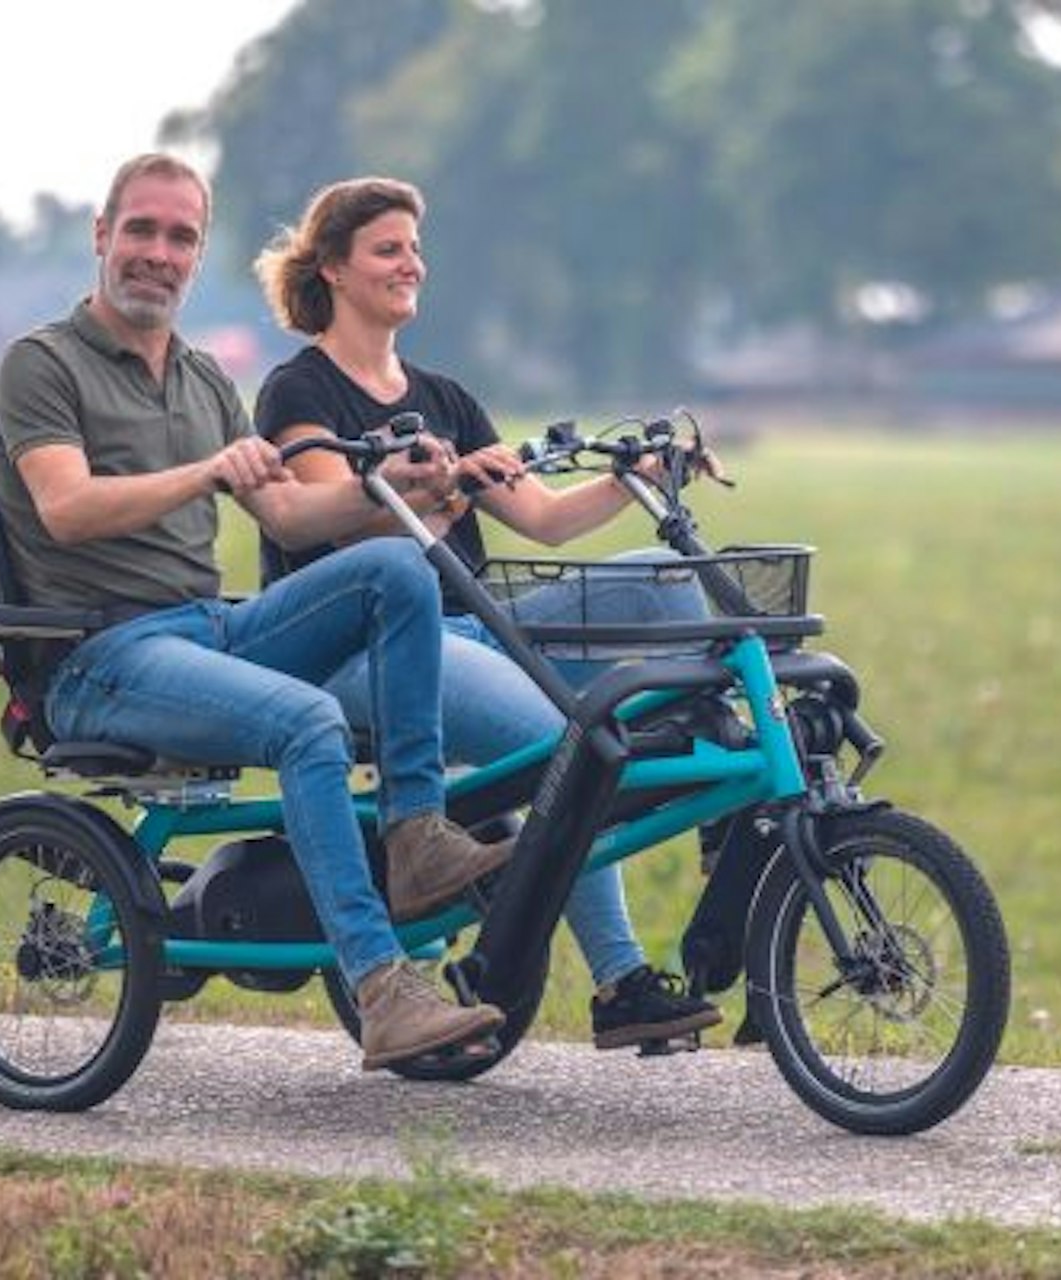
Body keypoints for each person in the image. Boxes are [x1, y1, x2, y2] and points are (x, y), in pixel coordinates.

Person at [0, 153, 512, 1073]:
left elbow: (291, 516)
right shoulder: (42, 363)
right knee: (307, 721)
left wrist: (390, 488)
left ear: (198, 255)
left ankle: (417, 838)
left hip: (207, 628)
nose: (159, 253)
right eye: (141, 230)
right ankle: (382, 989)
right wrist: (203, 473)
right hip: (99, 655)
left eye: (180, 237)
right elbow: (65, 509)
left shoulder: (203, 379)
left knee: (395, 567)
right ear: (102, 236)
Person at [251, 176, 721, 1051]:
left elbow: (542, 517)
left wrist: (636, 478)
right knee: (569, 747)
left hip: (474, 626)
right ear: (333, 270)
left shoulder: (444, 395)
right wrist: (443, 487)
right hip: (370, 650)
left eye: (414, 248)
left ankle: (724, 804)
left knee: (662, 576)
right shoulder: (298, 392)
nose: (411, 264)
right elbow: (339, 524)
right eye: (388, 250)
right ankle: (620, 982)